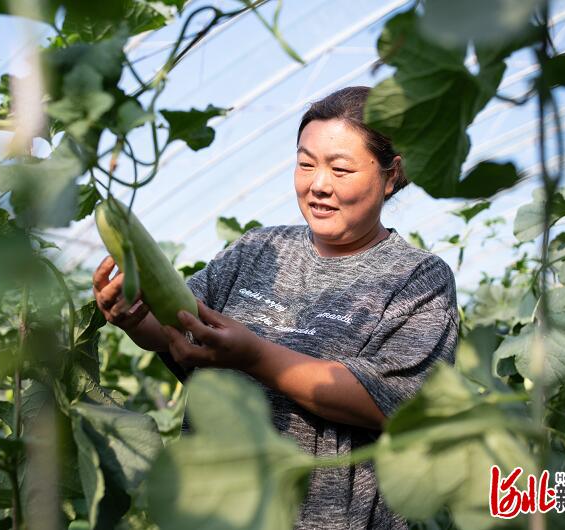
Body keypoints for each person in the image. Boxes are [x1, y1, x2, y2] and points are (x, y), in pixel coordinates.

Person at [93, 86, 459, 529]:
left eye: (340, 169)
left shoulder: (417, 277)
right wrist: (134, 316)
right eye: (305, 164)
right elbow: (182, 327)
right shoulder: (257, 249)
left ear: (390, 175)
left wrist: (254, 355)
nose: (318, 184)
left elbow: (396, 404)